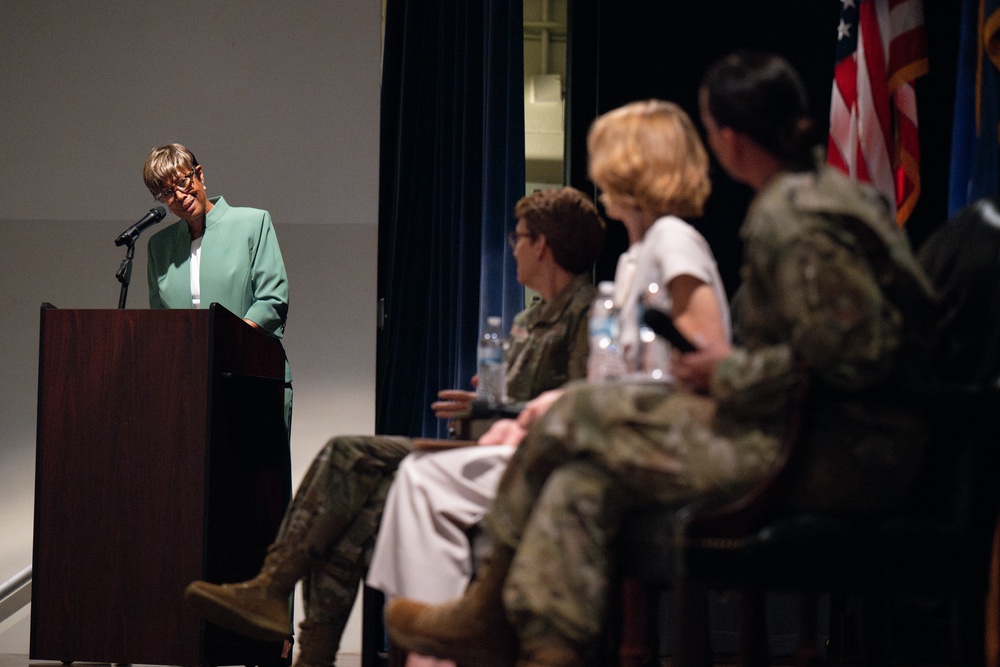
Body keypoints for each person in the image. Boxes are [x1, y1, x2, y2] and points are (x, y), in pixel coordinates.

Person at [384, 51, 936, 667]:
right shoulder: (820, 197)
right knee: (578, 484)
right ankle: (545, 649)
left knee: (576, 420)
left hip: (827, 453)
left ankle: (486, 608)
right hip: (821, 437)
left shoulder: (794, 216)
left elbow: (856, 356)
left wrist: (721, 370)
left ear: (727, 138)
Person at [182, 186, 606, 667]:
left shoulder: (588, 312)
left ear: (543, 246)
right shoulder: (529, 321)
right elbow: (513, 407)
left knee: (346, 453)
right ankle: (313, 652)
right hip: (488, 454)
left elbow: (578, 410)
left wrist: (502, 412)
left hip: (526, 469)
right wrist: (484, 409)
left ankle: (271, 587)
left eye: (521, 237)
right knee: (358, 512)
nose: (514, 246)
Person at [365, 99, 732, 618]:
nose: (596, 169)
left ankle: (463, 629)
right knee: (420, 479)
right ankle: (443, 634)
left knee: (427, 482)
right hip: (612, 432)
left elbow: (704, 363)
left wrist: (554, 411)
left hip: (648, 444)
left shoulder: (672, 241)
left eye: (606, 153)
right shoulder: (632, 259)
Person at [143, 143, 293, 432]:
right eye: (167, 193)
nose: (180, 196)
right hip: (189, 389)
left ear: (199, 174)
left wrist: (223, 346)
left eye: (184, 182)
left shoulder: (252, 223)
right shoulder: (159, 248)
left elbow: (272, 301)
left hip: (252, 376)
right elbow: (161, 319)